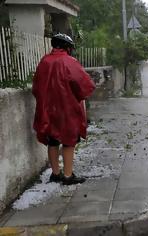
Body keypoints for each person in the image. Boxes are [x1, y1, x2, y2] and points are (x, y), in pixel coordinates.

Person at [32, 33, 95, 185]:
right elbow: (83, 84)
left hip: (48, 108)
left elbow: (36, 87)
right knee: (69, 140)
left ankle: (55, 173)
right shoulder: (69, 61)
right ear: (67, 47)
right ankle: (68, 175)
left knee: (52, 140)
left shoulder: (44, 61)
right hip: (67, 108)